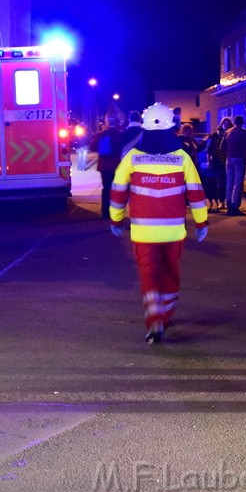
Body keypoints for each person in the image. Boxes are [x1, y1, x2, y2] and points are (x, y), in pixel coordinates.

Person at [109, 102, 209, 343]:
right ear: (171, 128)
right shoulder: (182, 157)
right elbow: (195, 193)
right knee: (170, 272)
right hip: (173, 231)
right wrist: (201, 223)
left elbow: (118, 190)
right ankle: (167, 312)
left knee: (149, 274)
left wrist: (116, 219)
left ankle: (155, 317)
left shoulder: (132, 157)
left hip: (143, 231)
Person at [91, 116, 125, 219]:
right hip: (115, 166)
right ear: (118, 124)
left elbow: (93, 147)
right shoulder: (120, 135)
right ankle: (114, 211)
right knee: (115, 189)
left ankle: (105, 211)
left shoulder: (100, 135)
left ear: (108, 124)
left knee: (106, 188)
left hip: (103, 166)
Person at [221, 115, 246, 216]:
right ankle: (235, 206)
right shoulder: (245, 133)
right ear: (242, 122)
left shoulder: (227, 132)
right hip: (239, 159)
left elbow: (222, 147)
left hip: (229, 159)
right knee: (238, 183)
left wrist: (228, 153)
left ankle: (229, 205)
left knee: (229, 182)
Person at [207, 118, 232, 211]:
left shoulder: (231, 133)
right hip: (218, 162)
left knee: (226, 182)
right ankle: (219, 201)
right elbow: (210, 149)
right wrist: (209, 160)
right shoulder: (216, 135)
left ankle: (224, 201)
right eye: (224, 123)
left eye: (228, 123)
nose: (226, 125)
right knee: (218, 182)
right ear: (221, 124)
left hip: (228, 161)